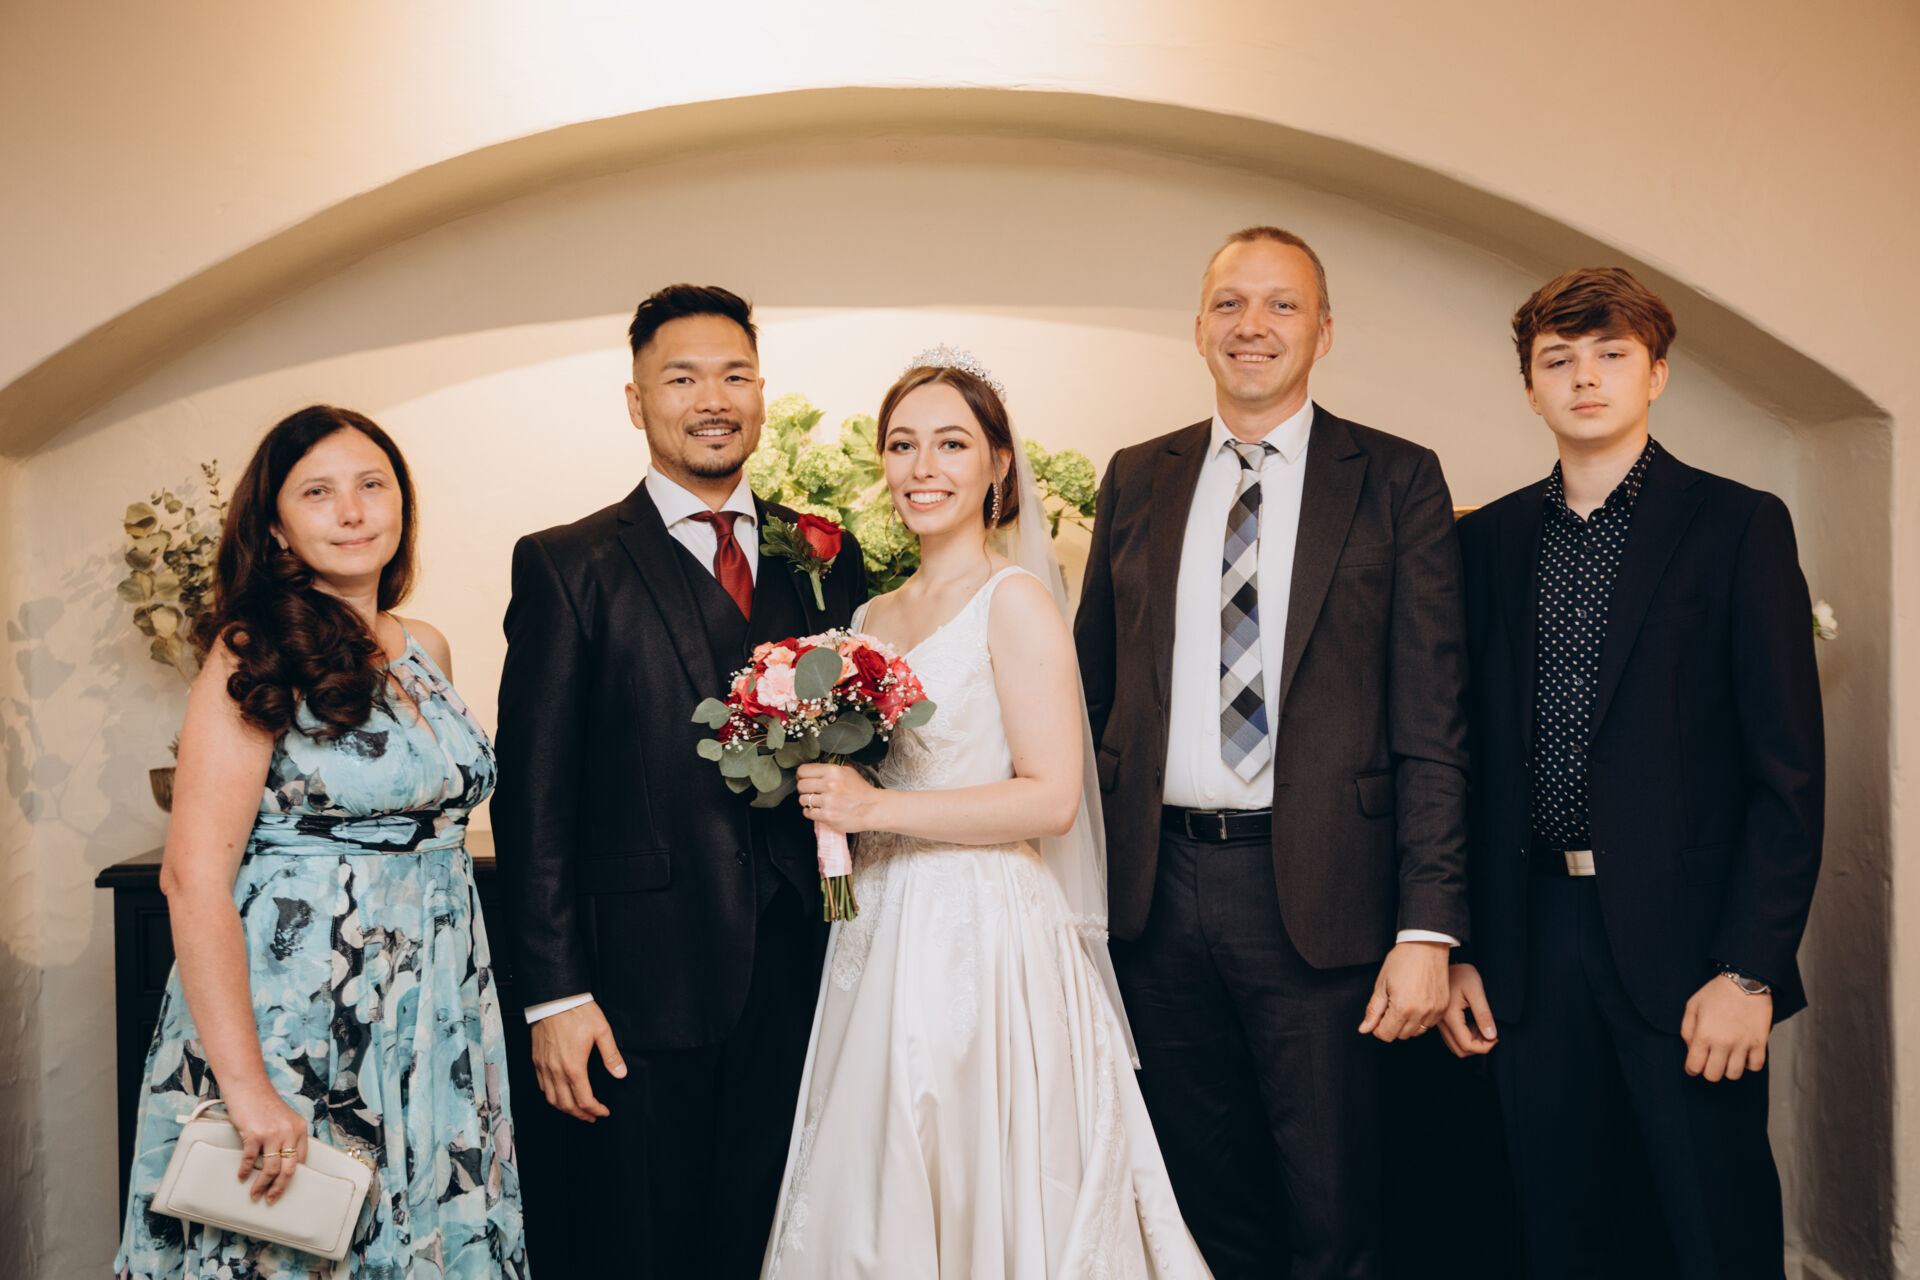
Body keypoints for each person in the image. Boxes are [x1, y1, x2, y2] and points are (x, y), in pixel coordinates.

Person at [760, 351, 1212, 1279]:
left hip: (984, 927)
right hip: (878, 926)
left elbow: (1051, 797)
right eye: (902, 445)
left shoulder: (1017, 602)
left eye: (952, 444)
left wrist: (875, 804)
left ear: (999, 464)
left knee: (978, 1162)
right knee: (877, 1169)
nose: (923, 467)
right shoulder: (870, 617)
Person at [1073, 227, 1471, 1279]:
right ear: (1199, 326)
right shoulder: (1137, 475)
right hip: (1155, 895)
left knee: (1335, 1209)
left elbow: (1434, 719)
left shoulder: (1396, 478)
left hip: (1325, 897)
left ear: (1324, 331)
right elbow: (1092, 689)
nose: (1253, 326)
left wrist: (1427, 926)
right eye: (1231, 303)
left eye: (1282, 305)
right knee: (1199, 1203)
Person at [1441, 267, 1824, 1278]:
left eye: (1611, 354)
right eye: (1558, 360)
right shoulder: (1483, 542)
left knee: (1710, 1226)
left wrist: (1750, 968)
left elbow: (1788, 773)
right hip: (1527, 943)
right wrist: (1461, 948)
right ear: (1531, 387)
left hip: (1693, 949)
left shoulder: (1738, 526)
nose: (1585, 378)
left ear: (1655, 373)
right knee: (1557, 1231)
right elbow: (1461, 762)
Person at [491, 285, 866, 1277]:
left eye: (735, 376)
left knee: (777, 1241)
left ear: (761, 394)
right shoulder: (568, 565)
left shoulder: (825, 555)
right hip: (636, 983)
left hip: (805, 968)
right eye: (683, 378)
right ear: (636, 400)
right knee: (642, 1247)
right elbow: (532, 799)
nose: (713, 400)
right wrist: (554, 994)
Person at [114, 405, 528, 1278]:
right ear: (275, 527)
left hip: (433, 1006)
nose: (352, 511)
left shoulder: (424, 647)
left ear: (401, 502)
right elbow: (192, 878)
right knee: (295, 1247)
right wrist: (248, 1089)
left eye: (372, 484)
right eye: (318, 492)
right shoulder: (251, 652)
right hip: (298, 1014)